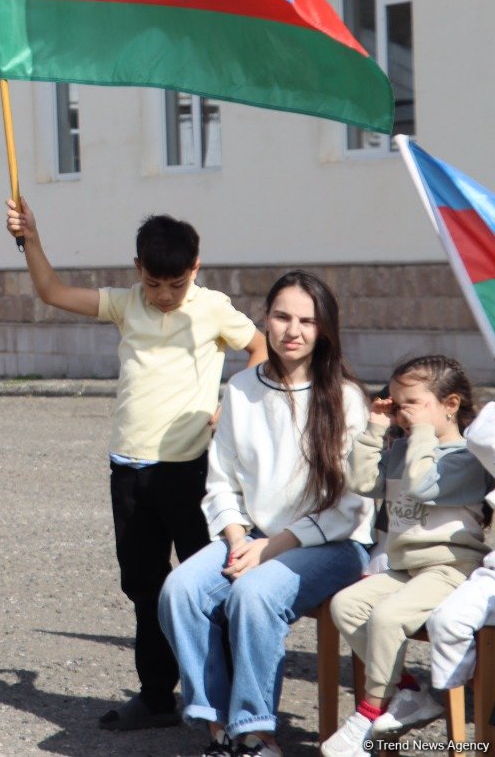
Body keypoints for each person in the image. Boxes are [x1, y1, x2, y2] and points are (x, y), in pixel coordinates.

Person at [5, 201, 266, 731]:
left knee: (208, 583)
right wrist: (31, 237)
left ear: (195, 269)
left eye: (176, 284)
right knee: (144, 587)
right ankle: (155, 697)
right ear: (137, 270)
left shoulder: (213, 308)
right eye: (154, 284)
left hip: (190, 471)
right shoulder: (126, 305)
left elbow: (259, 349)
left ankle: (227, 699)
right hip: (128, 469)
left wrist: (229, 406)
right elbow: (52, 292)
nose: (165, 296)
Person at [158, 270, 374, 757]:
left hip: (332, 545)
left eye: (307, 320)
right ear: (265, 320)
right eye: (281, 316)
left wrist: (271, 548)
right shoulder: (239, 388)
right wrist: (238, 539)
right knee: (181, 590)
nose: (292, 330)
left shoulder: (346, 398)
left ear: (325, 330)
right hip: (252, 535)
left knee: (254, 594)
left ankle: (256, 731)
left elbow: (352, 505)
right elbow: (221, 481)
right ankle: (218, 727)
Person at [322, 354, 489, 755]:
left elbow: (421, 484)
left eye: (411, 402)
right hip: (406, 567)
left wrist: (421, 435)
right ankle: (409, 691)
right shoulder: (404, 447)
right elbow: (362, 481)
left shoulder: (467, 458)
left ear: (450, 405)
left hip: (451, 567)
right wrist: (376, 426)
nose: (401, 412)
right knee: (346, 605)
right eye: (396, 403)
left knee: (386, 618)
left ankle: (368, 711)